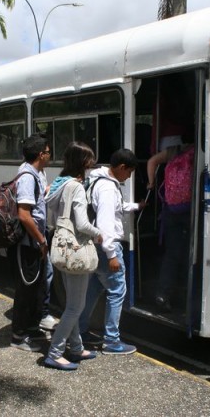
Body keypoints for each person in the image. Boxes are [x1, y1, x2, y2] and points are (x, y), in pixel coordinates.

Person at [78, 149, 145, 355]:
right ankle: (111, 341)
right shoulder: (107, 188)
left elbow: (115, 207)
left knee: (93, 290)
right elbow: (106, 223)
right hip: (107, 246)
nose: (130, 177)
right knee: (117, 292)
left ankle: (79, 331)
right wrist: (112, 255)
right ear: (122, 167)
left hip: (96, 245)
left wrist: (136, 206)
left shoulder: (99, 181)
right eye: (130, 172)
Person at [44, 142, 102, 370]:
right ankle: (55, 353)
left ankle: (76, 348)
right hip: (76, 251)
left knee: (72, 304)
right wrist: (99, 233)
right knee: (75, 307)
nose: (91, 165)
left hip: (62, 249)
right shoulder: (76, 187)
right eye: (89, 161)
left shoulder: (59, 184)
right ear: (82, 162)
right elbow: (82, 223)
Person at [9, 134, 52, 352]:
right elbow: (24, 215)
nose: (49, 155)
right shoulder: (27, 176)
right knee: (25, 290)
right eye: (47, 151)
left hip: (34, 243)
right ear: (40, 154)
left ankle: (31, 327)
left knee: (37, 287)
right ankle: (18, 336)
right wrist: (42, 240)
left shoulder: (34, 174)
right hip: (28, 244)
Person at [147, 135, 194, 311]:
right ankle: (189, 293)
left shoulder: (174, 151)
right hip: (190, 210)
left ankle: (163, 293)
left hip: (171, 210)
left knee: (172, 254)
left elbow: (152, 161)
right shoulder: (200, 151)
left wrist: (151, 183)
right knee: (191, 251)